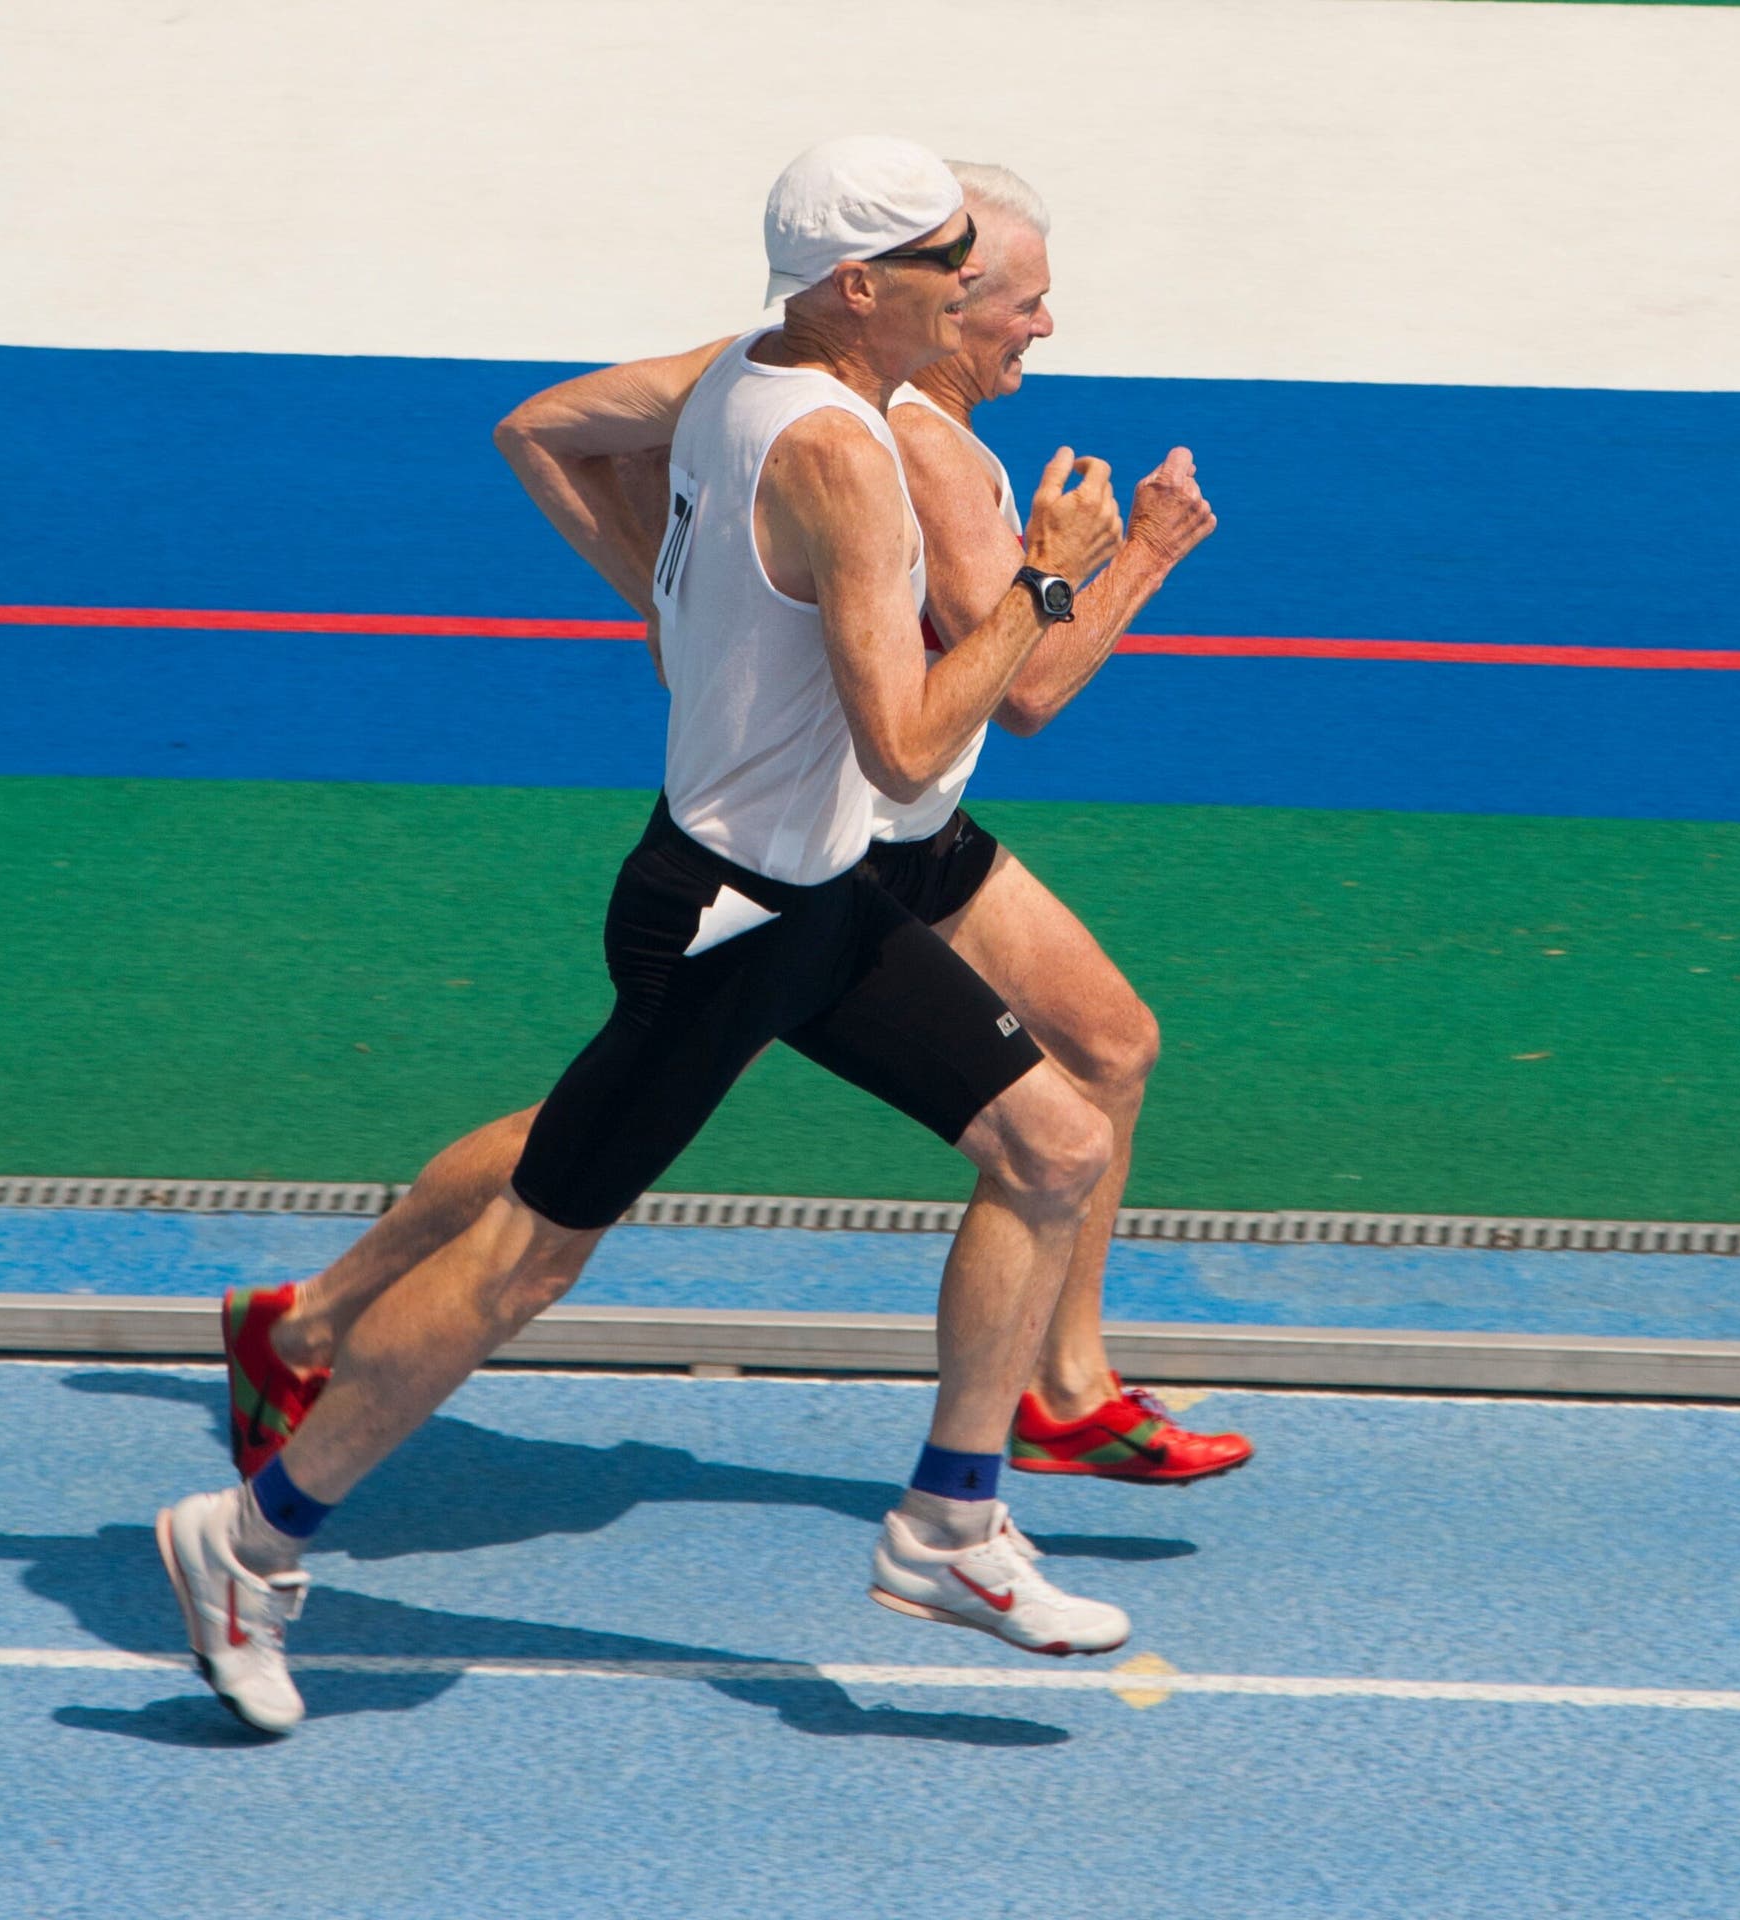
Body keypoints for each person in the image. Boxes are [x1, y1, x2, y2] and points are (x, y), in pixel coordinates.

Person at [158, 137, 1155, 1736]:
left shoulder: (734, 367)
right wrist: (1050, 576)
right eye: (950, 260)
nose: (975, 286)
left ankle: (949, 1526)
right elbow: (909, 747)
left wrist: (680, 618)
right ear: (861, 285)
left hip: (812, 896)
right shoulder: (843, 460)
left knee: (1050, 1143)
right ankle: (251, 1542)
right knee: (524, 1262)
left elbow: (561, 440)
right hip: (729, 925)